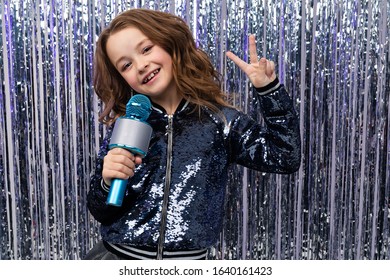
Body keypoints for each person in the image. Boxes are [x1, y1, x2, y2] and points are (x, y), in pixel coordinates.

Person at [85, 8, 301, 260]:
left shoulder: (221, 122)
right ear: (122, 78)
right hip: (118, 258)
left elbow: (285, 156)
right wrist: (107, 182)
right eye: (126, 65)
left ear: (170, 43)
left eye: (146, 49)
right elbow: (101, 210)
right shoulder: (126, 126)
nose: (141, 65)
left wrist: (269, 90)